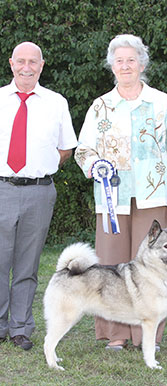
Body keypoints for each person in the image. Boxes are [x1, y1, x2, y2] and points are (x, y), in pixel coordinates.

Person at [75, 34, 167, 351]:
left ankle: (147, 336)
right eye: (119, 60)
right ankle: (116, 334)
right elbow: (83, 150)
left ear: (142, 63)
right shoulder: (100, 106)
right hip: (112, 199)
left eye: (131, 59)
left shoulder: (163, 103)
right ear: (111, 65)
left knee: (154, 267)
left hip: (154, 195)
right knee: (110, 266)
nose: (125, 66)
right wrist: (94, 166)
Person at [0, 42, 77, 350]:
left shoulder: (56, 102)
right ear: (11, 63)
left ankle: (20, 327)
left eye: (33, 61)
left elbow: (66, 148)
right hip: (1, 188)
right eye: (21, 61)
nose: (27, 67)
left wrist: (38, 168)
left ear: (42, 65)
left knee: (27, 265)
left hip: (39, 192)